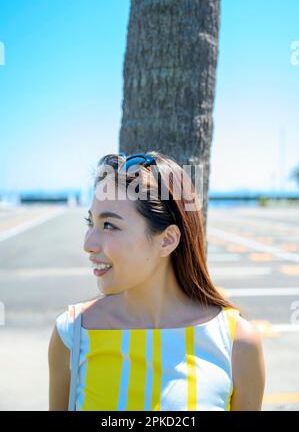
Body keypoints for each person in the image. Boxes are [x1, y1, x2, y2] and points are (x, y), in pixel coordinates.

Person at [48, 151, 265, 411]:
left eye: (109, 225)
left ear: (167, 240)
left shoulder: (237, 342)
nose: (88, 244)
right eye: (90, 222)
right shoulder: (72, 334)